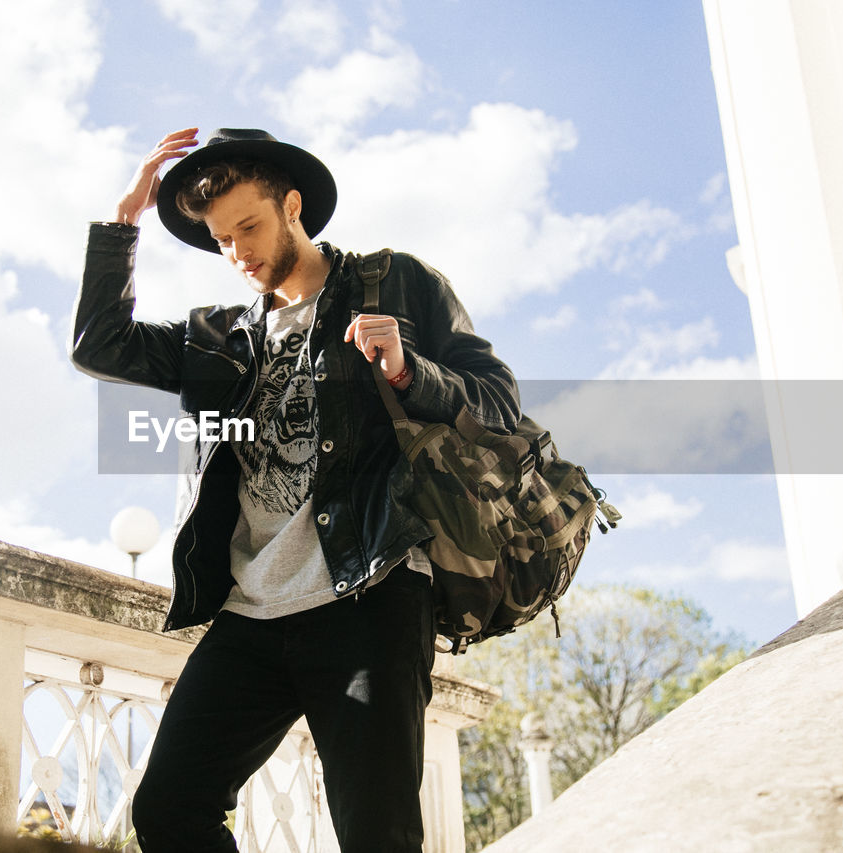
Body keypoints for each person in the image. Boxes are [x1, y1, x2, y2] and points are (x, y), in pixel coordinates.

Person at [70, 127, 519, 852]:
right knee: (169, 810)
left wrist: (409, 371)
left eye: (248, 225)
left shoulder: (395, 282)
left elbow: (497, 404)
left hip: (368, 596)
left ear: (293, 206)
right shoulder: (214, 338)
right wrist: (122, 224)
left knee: (378, 837)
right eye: (220, 240)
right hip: (250, 615)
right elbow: (99, 343)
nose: (238, 252)